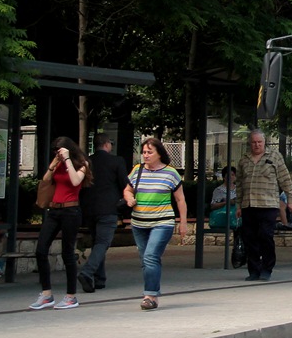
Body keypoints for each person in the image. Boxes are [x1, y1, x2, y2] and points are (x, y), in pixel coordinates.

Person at [121, 137, 188, 311]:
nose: (146, 155)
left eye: (150, 152)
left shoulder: (170, 173)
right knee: (146, 260)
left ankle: (150, 296)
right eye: (144, 152)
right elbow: (127, 189)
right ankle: (153, 294)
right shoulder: (137, 170)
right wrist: (129, 199)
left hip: (162, 221)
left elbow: (180, 199)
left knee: (150, 256)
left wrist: (183, 222)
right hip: (139, 222)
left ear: (159, 153)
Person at [29, 137, 91, 310]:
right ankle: (46, 294)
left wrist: (68, 160)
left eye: (60, 150)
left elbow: (75, 181)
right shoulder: (57, 163)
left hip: (71, 211)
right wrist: (55, 162)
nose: (58, 153)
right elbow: (46, 180)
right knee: (41, 250)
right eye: (55, 150)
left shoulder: (82, 164)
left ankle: (71, 296)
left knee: (67, 253)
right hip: (54, 210)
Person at [236, 129, 292, 281]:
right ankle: (254, 270)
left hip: (268, 205)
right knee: (250, 239)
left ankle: (267, 268)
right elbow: (239, 185)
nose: (256, 145)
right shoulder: (244, 160)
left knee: (265, 236)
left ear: (264, 142)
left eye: (259, 142)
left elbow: (285, 179)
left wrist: (290, 199)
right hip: (249, 205)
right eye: (254, 142)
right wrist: (238, 205)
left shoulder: (274, 156)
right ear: (250, 143)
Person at [77, 133, 129, 293]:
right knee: (103, 243)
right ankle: (87, 272)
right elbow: (124, 184)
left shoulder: (87, 162)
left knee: (96, 241)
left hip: (89, 209)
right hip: (108, 208)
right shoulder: (116, 161)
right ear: (107, 144)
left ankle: (100, 279)